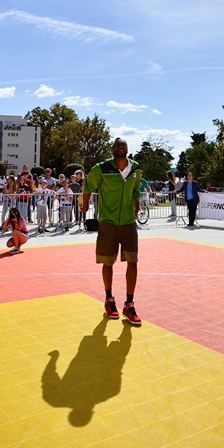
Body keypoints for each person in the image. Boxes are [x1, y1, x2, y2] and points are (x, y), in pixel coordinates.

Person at [82, 138, 142, 326]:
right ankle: (109, 300)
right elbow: (87, 186)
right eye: (117, 145)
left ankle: (129, 304)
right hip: (107, 222)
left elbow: (135, 191)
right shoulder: (102, 168)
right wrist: (84, 205)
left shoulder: (136, 168)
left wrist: (136, 206)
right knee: (108, 262)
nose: (121, 147)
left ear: (127, 148)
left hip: (128, 223)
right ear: (113, 149)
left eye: (123, 145)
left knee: (132, 261)